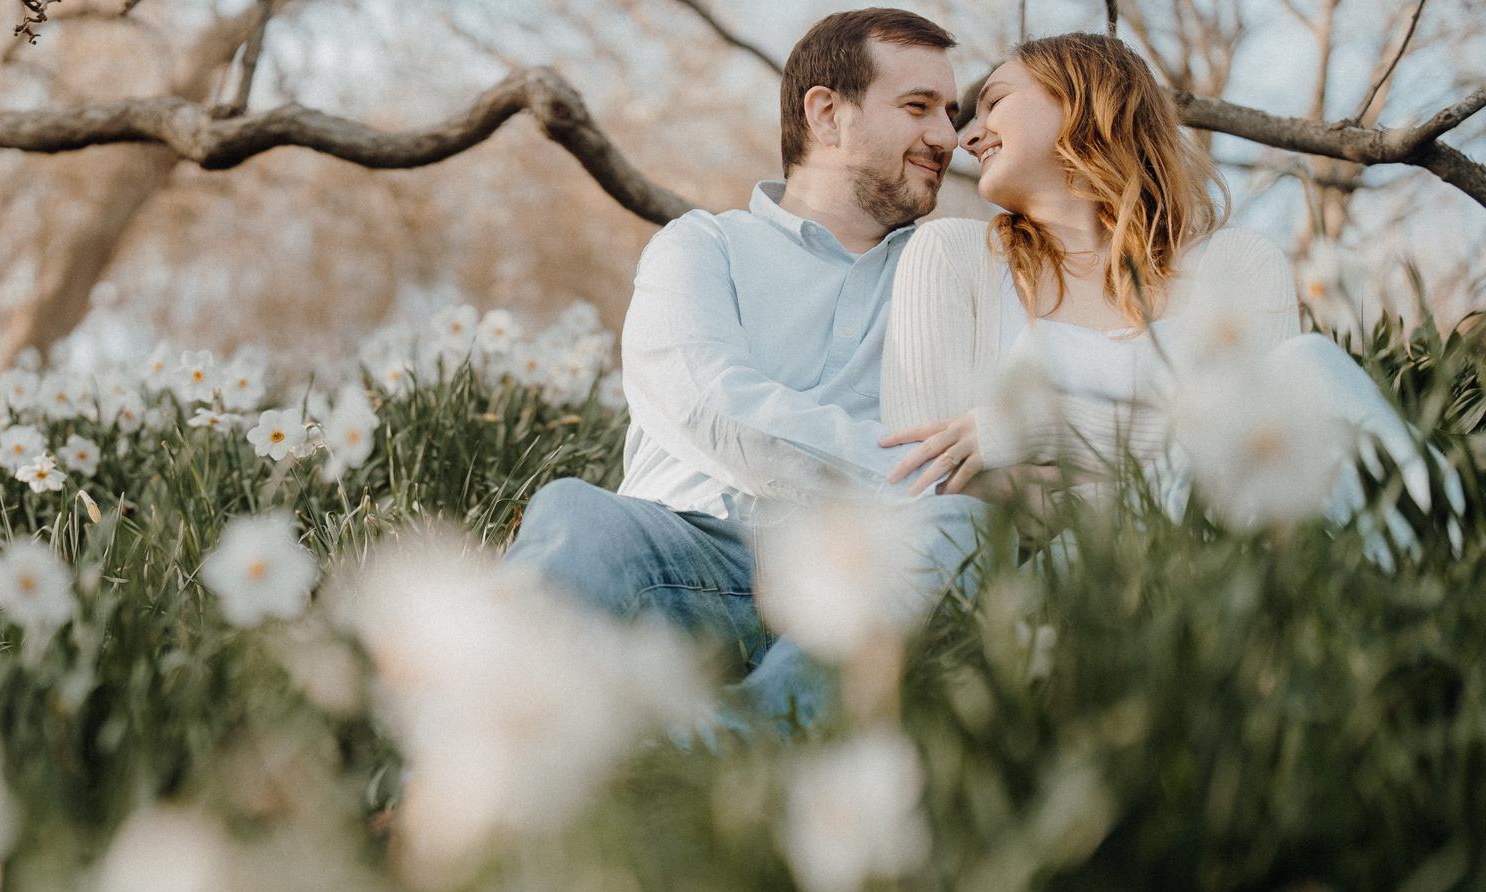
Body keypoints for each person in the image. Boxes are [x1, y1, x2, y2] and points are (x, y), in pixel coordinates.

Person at [500, 8, 964, 734]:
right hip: (689, 562)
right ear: (827, 114)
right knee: (575, 514)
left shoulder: (948, 274)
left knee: (964, 521)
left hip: (858, 588)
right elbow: (711, 405)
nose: (946, 137)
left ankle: (726, 769)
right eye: (918, 107)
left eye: (951, 113)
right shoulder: (701, 247)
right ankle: (454, 779)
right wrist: (914, 478)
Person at [876, 32, 1420, 559]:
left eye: (994, 101)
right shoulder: (952, 255)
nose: (968, 138)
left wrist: (1042, 427)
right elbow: (932, 483)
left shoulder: (1236, 264)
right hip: (1059, 580)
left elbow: (1268, 455)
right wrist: (1158, 459)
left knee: (1312, 366)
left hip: (1228, 558)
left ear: (1084, 99)